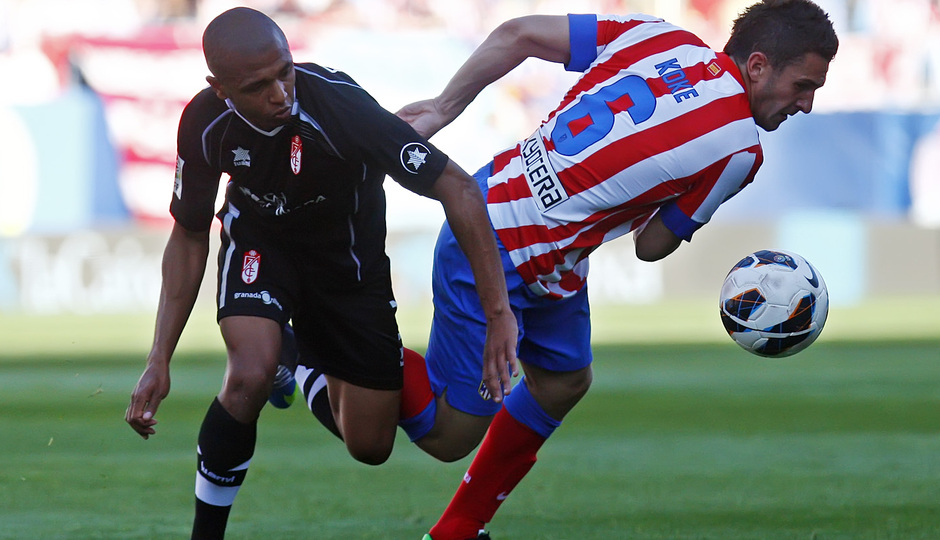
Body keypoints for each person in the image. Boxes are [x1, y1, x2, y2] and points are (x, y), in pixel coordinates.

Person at [389, 1, 837, 539]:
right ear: (759, 65)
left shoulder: (659, 36)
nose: (807, 105)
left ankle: (459, 529)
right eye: (803, 86)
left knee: (563, 381)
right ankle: (331, 334)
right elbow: (651, 245)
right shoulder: (740, 149)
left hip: (514, 216)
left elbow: (517, 33)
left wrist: (441, 108)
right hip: (495, 247)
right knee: (449, 433)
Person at [122, 7, 517, 540]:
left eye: (284, 72)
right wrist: (157, 359)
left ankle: (300, 357)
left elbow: (458, 187)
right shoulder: (203, 123)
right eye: (258, 86)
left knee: (371, 447)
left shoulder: (340, 104)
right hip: (262, 247)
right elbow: (190, 235)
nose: (281, 94)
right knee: (248, 376)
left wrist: (499, 314)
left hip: (348, 269)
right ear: (221, 90)